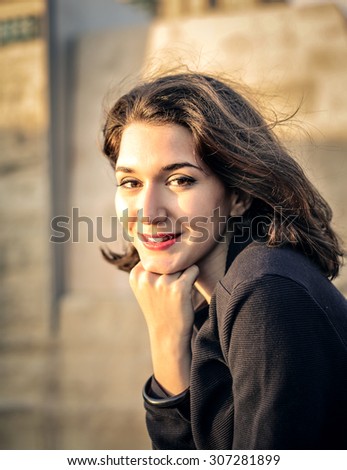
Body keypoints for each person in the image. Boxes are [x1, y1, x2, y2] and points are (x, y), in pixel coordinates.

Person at [101, 72, 347, 450]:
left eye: (180, 180)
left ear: (239, 196)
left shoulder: (266, 292)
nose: (147, 212)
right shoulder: (220, 298)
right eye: (131, 182)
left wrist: (167, 344)